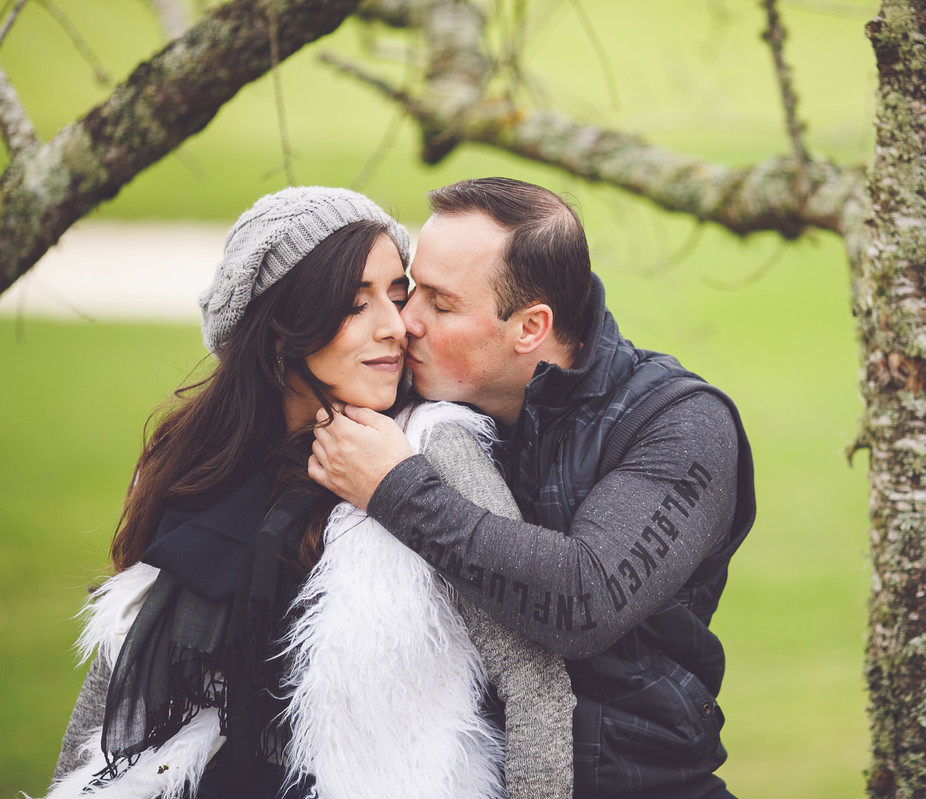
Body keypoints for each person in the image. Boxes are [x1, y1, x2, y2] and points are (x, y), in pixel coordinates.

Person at [40, 186, 574, 799]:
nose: (395, 327)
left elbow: (536, 685)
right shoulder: (200, 463)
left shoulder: (435, 449)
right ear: (280, 330)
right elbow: (115, 677)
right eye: (355, 304)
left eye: (396, 295)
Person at [309, 177, 756, 799]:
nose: (405, 323)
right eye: (412, 289)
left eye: (439, 304)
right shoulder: (427, 399)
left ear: (530, 327)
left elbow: (584, 601)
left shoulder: (680, 423)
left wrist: (395, 488)